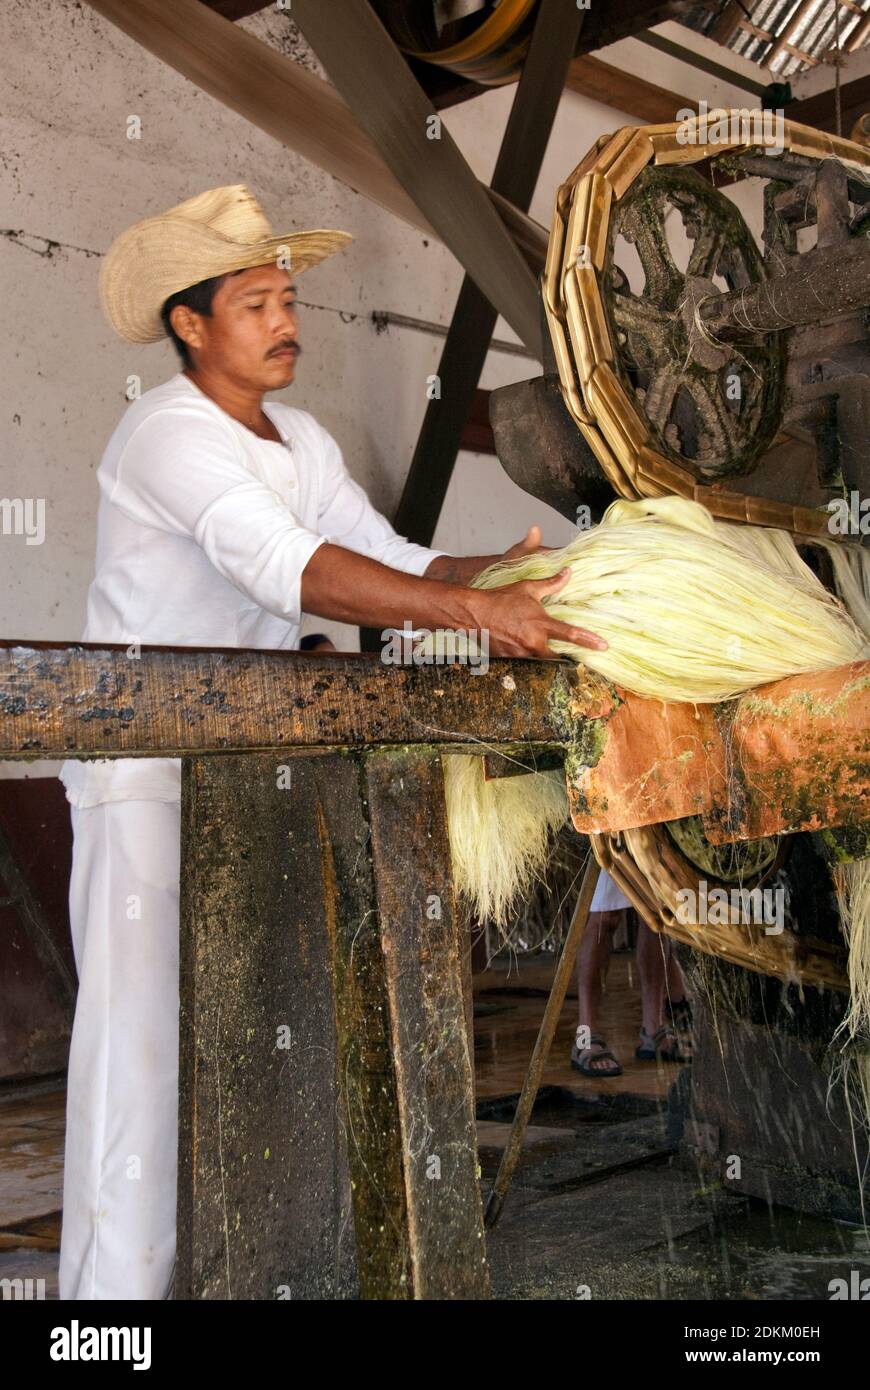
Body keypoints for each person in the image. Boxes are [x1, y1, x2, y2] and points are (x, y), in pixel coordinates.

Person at [57, 184, 608, 1300]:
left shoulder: (298, 439)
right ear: (189, 324)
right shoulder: (166, 432)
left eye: (289, 298)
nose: (284, 319)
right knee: (142, 1063)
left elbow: (390, 559)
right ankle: (105, 1312)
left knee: (251, 1047)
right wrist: (471, 615)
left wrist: (509, 575)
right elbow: (290, 569)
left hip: (249, 781)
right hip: (149, 776)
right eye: (254, 301)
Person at [571, 868, 691, 1077]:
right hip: (610, 838)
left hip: (650, 836)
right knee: (605, 915)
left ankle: (653, 1029)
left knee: (656, 914)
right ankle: (585, 1037)